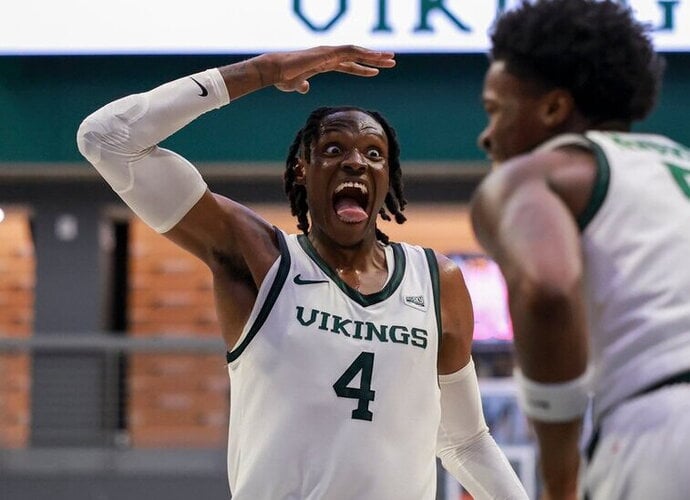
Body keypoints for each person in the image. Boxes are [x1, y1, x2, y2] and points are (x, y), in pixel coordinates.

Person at [77, 46, 527, 499]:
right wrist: (263, 71)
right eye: (333, 149)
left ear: (387, 178)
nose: (356, 162)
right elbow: (106, 138)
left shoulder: (435, 281)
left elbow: (465, 442)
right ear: (301, 170)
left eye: (374, 154)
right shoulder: (262, 260)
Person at [470, 1, 690, 499]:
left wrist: (560, 475)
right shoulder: (677, 163)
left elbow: (546, 290)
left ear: (553, 108)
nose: (486, 135)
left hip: (662, 425)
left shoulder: (534, 177)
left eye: (495, 109)